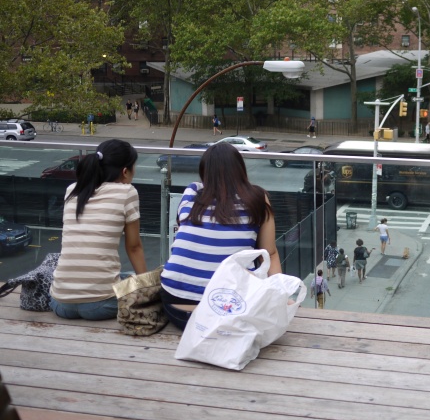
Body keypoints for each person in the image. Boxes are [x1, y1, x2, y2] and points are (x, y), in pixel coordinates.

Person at [160, 142, 281, 330]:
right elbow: (269, 254)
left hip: (174, 305)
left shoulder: (191, 193)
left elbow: (185, 230)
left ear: (204, 172)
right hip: (225, 314)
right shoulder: (257, 197)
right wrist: (282, 296)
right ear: (240, 170)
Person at [49, 139, 147, 321]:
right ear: (125, 171)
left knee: (122, 275)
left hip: (60, 303)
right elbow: (134, 247)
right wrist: (147, 288)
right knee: (132, 278)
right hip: (101, 305)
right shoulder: (127, 192)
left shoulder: (72, 190)